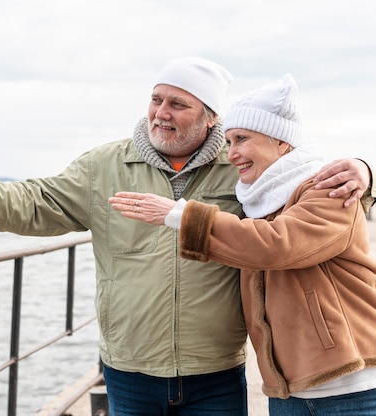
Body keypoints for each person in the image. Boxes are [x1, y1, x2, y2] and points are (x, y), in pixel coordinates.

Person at [0, 58, 373, 415]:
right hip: (129, 368)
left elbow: (308, 190)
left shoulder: (242, 168)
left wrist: (364, 172)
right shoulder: (104, 166)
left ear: (210, 117)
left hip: (214, 369)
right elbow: (35, 205)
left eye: (178, 104)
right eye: (156, 99)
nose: (161, 113)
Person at [108, 74, 376, 415]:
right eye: (229, 141)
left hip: (352, 385)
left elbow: (277, 245)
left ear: (281, 143)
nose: (231, 154)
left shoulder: (329, 188)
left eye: (242, 139)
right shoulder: (260, 199)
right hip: (290, 390)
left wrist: (178, 213)